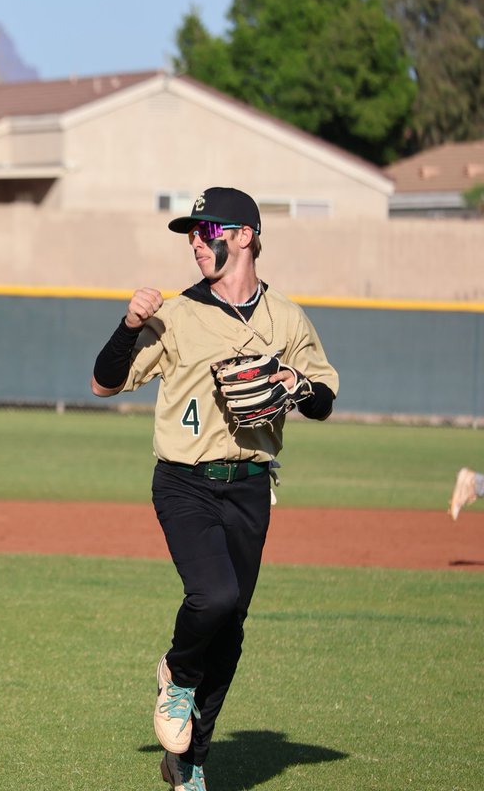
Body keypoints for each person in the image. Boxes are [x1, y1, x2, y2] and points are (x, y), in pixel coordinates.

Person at [90, 187, 339, 791]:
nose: (198, 242)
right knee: (214, 597)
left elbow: (325, 400)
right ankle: (176, 677)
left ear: (246, 235)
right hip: (184, 482)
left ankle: (189, 762)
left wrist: (294, 381)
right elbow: (104, 382)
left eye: (209, 231)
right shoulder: (175, 314)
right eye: (192, 234)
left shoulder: (286, 319)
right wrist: (129, 324)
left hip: (251, 485)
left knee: (230, 631)